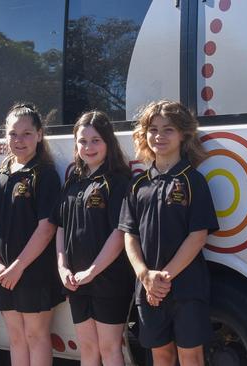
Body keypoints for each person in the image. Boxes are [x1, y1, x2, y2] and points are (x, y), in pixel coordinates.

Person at [118, 101, 219, 366]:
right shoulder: (138, 184)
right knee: (160, 356)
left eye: (168, 129)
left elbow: (198, 236)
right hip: (148, 290)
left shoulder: (192, 180)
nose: (159, 136)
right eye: (153, 129)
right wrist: (145, 276)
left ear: (183, 134)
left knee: (191, 357)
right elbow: (130, 236)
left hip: (186, 288)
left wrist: (162, 278)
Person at [0, 103, 64, 366]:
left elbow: (47, 228)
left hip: (33, 272)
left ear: (39, 135)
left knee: (36, 336)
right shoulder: (0, 175)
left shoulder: (45, 175)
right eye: (13, 134)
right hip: (5, 274)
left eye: (27, 133)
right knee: (16, 338)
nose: (19, 140)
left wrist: (18, 267)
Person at [50, 111, 134, 366]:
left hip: (109, 280)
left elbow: (119, 234)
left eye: (96, 140)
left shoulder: (118, 181)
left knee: (110, 349)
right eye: (82, 141)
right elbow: (61, 227)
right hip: (77, 282)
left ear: (108, 142)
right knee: (87, 349)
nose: (89, 147)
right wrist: (62, 267)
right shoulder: (73, 181)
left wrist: (93, 272)